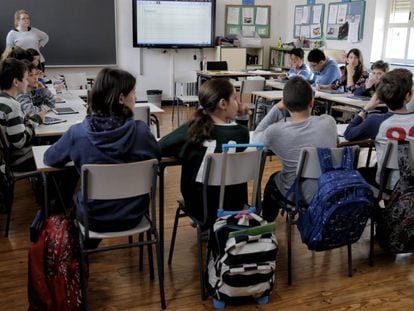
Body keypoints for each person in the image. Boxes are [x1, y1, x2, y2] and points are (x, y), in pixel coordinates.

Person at [44, 68, 161, 233]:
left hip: (92, 218)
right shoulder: (141, 131)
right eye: (133, 93)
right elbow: (157, 157)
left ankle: (84, 248)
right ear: (121, 98)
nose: (135, 98)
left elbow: (50, 159)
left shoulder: (77, 133)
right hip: (134, 216)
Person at [159, 78, 250, 228]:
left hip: (199, 207)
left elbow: (161, 146)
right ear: (223, 104)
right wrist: (243, 117)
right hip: (233, 207)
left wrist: (183, 152)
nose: (238, 103)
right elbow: (241, 134)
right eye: (235, 98)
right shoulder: (241, 133)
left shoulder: (192, 129)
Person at [252, 76, 337, 221]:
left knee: (273, 181)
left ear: (285, 104)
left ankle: (266, 225)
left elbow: (255, 138)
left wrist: (275, 108)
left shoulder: (276, 132)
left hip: (296, 194)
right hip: (328, 190)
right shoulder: (329, 122)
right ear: (312, 101)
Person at [0, 58, 45, 171]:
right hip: (17, 160)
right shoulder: (13, 105)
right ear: (16, 82)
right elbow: (19, 142)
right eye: (25, 79)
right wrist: (35, 120)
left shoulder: (2, 100)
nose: (26, 82)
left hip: (5, 158)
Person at [374, 68, 414, 188]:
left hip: (388, 184)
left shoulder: (377, 121)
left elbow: (350, 134)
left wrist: (365, 109)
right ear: (408, 96)